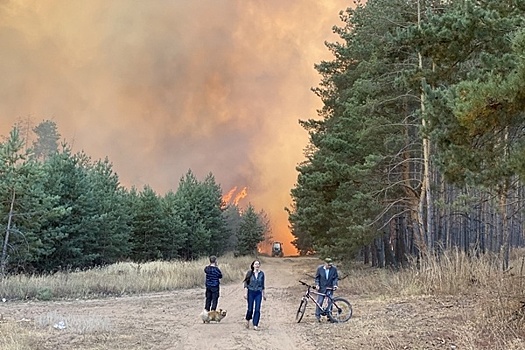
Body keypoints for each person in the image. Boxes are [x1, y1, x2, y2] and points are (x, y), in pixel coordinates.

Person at [243, 260, 266, 330]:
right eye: (256, 264)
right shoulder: (249, 273)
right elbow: (246, 284)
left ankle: (255, 324)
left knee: (257, 309)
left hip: (258, 293)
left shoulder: (261, 274)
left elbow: (262, 285)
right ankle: (247, 319)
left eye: (258, 264)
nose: (257, 265)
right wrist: (245, 293)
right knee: (250, 309)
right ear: (253, 265)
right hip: (251, 292)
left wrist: (264, 294)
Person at [314, 257, 338, 323]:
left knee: (330, 302)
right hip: (322, 288)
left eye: (331, 265)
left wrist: (335, 285)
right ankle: (318, 316)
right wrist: (317, 284)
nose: (330, 266)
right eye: (328, 265)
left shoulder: (334, 269)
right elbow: (317, 278)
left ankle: (329, 316)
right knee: (319, 302)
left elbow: (335, 278)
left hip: (330, 288)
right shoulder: (320, 269)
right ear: (325, 263)